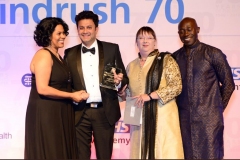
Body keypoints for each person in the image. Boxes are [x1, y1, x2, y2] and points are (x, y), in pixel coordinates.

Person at [64, 10, 129, 159]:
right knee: (80, 156)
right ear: (77, 29)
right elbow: (67, 84)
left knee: (104, 156)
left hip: (104, 112)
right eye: (81, 28)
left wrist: (119, 82)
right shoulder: (70, 53)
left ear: (96, 29)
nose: (85, 31)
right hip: (80, 113)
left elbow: (124, 77)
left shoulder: (111, 49)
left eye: (89, 27)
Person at [24, 17, 89, 159]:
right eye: (59, 33)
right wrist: (72, 95)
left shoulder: (57, 56)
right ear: (48, 35)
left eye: (64, 33)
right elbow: (42, 88)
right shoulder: (44, 55)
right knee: (51, 151)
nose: (63, 36)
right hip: (47, 113)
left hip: (60, 111)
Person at [172, 17, 235, 159]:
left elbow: (229, 84)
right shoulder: (175, 58)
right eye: (182, 31)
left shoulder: (213, 53)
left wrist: (216, 109)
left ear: (197, 30)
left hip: (209, 122)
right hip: (184, 122)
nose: (186, 33)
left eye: (189, 29)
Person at [120, 26, 184, 159]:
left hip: (163, 117)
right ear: (136, 42)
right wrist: (120, 90)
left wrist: (149, 96)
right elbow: (128, 94)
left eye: (149, 37)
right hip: (139, 119)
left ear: (155, 42)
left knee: (164, 151)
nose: (145, 40)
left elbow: (176, 86)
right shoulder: (131, 66)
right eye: (141, 37)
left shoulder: (166, 60)